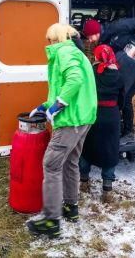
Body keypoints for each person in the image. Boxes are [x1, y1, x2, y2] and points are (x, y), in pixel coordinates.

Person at [26, 23, 97, 238]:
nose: (49, 43)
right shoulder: (77, 53)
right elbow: (64, 86)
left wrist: (58, 106)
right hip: (82, 119)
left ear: (57, 38)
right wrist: (44, 106)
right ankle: (70, 207)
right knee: (70, 162)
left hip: (70, 121)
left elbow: (73, 81)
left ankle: (51, 220)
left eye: (50, 39)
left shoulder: (65, 51)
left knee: (51, 164)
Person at [81, 17, 135, 142]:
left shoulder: (116, 26)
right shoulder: (102, 42)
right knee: (120, 95)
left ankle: (129, 133)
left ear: (96, 31)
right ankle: (118, 128)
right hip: (127, 65)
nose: (90, 40)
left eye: (90, 36)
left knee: (126, 98)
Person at [79, 44, 125, 192]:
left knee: (86, 147)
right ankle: (107, 189)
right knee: (110, 149)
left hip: (92, 114)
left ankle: (84, 181)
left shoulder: (91, 72)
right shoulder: (118, 74)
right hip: (111, 116)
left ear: (97, 56)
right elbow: (123, 100)